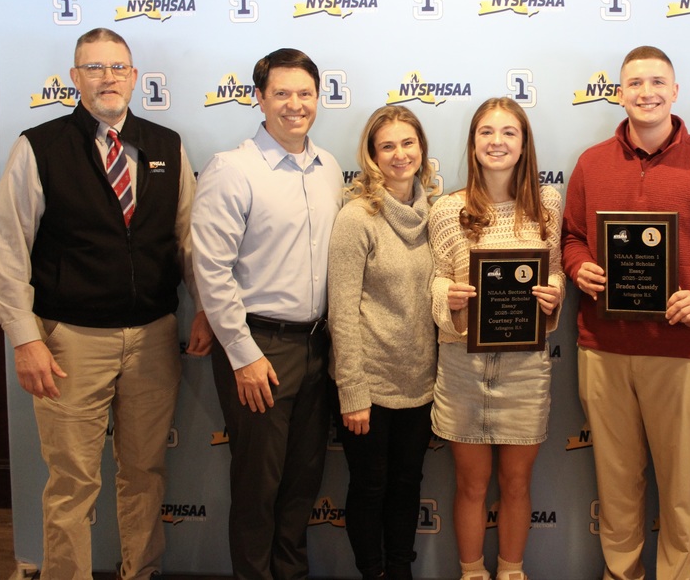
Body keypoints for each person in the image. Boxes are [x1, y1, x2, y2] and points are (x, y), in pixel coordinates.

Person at [0, 27, 212, 579]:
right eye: (94, 68)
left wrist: (205, 308)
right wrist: (24, 339)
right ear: (74, 78)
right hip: (69, 342)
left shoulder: (167, 145)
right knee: (72, 482)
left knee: (144, 472)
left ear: (135, 77)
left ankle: (142, 572)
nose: (107, 78)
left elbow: (187, 240)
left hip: (154, 336)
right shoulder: (38, 146)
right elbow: (8, 248)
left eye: (117, 67)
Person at [561, 45, 690, 580]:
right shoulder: (591, 163)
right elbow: (573, 238)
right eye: (634, 84)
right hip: (603, 348)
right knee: (617, 485)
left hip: (683, 351)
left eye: (656, 82)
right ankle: (621, 573)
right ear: (619, 93)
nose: (645, 93)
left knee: (679, 491)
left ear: (675, 91)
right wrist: (579, 268)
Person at [191, 48, 343, 579]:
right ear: (259, 98)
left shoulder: (329, 170)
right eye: (281, 93)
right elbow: (211, 271)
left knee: (303, 483)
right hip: (260, 348)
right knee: (259, 488)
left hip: (318, 347)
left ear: (318, 99)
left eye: (305, 93)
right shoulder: (232, 169)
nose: (294, 104)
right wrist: (242, 355)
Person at [428, 97, 564, 580]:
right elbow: (435, 281)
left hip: (525, 368)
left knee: (517, 483)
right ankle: (471, 574)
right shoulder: (447, 209)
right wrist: (450, 294)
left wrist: (553, 295)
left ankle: (511, 571)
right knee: (470, 484)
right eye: (487, 132)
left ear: (524, 144)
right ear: (473, 142)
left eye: (509, 132)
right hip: (463, 365)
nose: (497, 142)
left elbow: (559, 272)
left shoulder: (547, 205)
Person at [328, 105, 438, 580]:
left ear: (422, 150)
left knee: (407, 486)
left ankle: (400, 571)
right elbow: (342, 312)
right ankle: (371, 572)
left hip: (420, 384)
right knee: (370, 488)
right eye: (387, 145)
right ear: (372, 156)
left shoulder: (438, 215)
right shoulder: (357, 218)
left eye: (408, 143)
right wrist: (352, 392)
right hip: (368, 387)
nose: (400, 154)